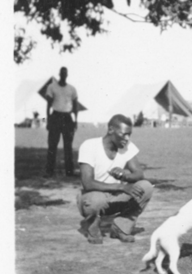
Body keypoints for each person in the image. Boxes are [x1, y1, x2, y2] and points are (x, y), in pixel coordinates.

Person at [76, 114, 154, 244]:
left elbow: (139, 174)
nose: (127, 138)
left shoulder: (127, 146)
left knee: (146, 187)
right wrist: (121, 186)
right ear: (111, 130)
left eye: (129, 134)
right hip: (92, 198)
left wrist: (124, 175)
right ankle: (92, 226)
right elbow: (87, 183)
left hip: (115, 197)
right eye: (123, 134)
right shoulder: (89, 145)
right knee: (96, 200)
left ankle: (120, 227)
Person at [44, 67, 78, 177]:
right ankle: (49, 171)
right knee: (52, 145)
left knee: (68, 145)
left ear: (67, 75)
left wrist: (76, 120)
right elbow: (48, 104)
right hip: (55, 116)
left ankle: (69, 171)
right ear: (59, 74)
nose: (63, 75)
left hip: (67, 118)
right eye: (62, 73)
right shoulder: (52, 87)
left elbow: (75, 105)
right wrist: (48, 119)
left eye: (65, 73)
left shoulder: (72, 89)